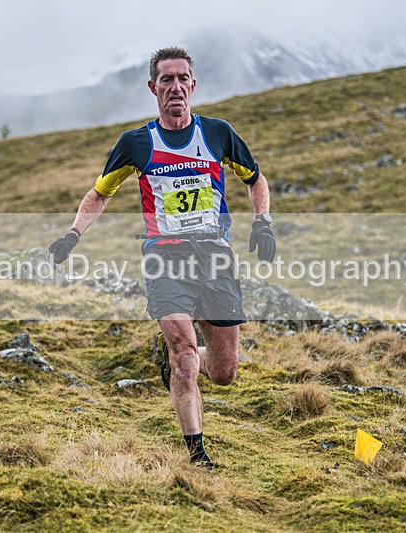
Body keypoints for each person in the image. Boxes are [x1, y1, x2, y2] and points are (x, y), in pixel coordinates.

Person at [49, 47, 276, 468]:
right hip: (165, 259)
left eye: (182, 78)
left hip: (216, 259)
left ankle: (181, 360)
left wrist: (262, 222)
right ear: (153, 88)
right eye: (166, 80)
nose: (175, 87)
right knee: (185, 358)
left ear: (193, 84)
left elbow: (255, 178)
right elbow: (100, 194)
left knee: (225, 372)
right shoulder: (136, 143)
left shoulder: (217, 134)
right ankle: (197, 455)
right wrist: (71, 235)